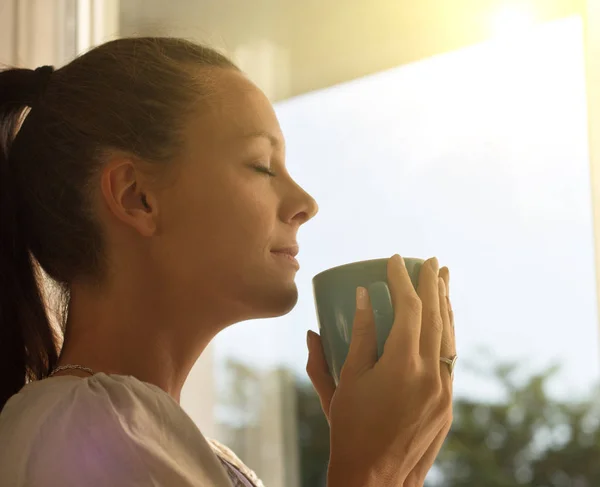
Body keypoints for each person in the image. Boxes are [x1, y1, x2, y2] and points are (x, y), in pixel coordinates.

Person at [0, 37, 456, 487]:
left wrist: (398, 467)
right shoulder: (80, 432)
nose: (305, 203)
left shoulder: (166, 444)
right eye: (262, 165)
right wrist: (370, 472)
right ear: (136, 197)